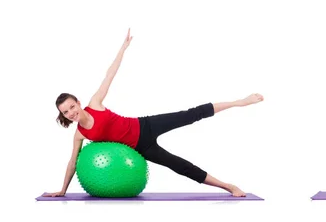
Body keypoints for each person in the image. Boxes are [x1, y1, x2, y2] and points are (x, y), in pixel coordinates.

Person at [43, 29, 264, 198]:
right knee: (180, 166)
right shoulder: (80, 134)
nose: (71, 112)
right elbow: (72, 162)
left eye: (72, 107)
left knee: (191, 114)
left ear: (78, 103)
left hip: (145, 125)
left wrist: (123, 48)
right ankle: (228, 186)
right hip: (141, 147)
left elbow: (109, 75)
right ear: (63, 115)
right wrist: (62, 190)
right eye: (66, 111)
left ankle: (239, 102)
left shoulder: (95, 103)